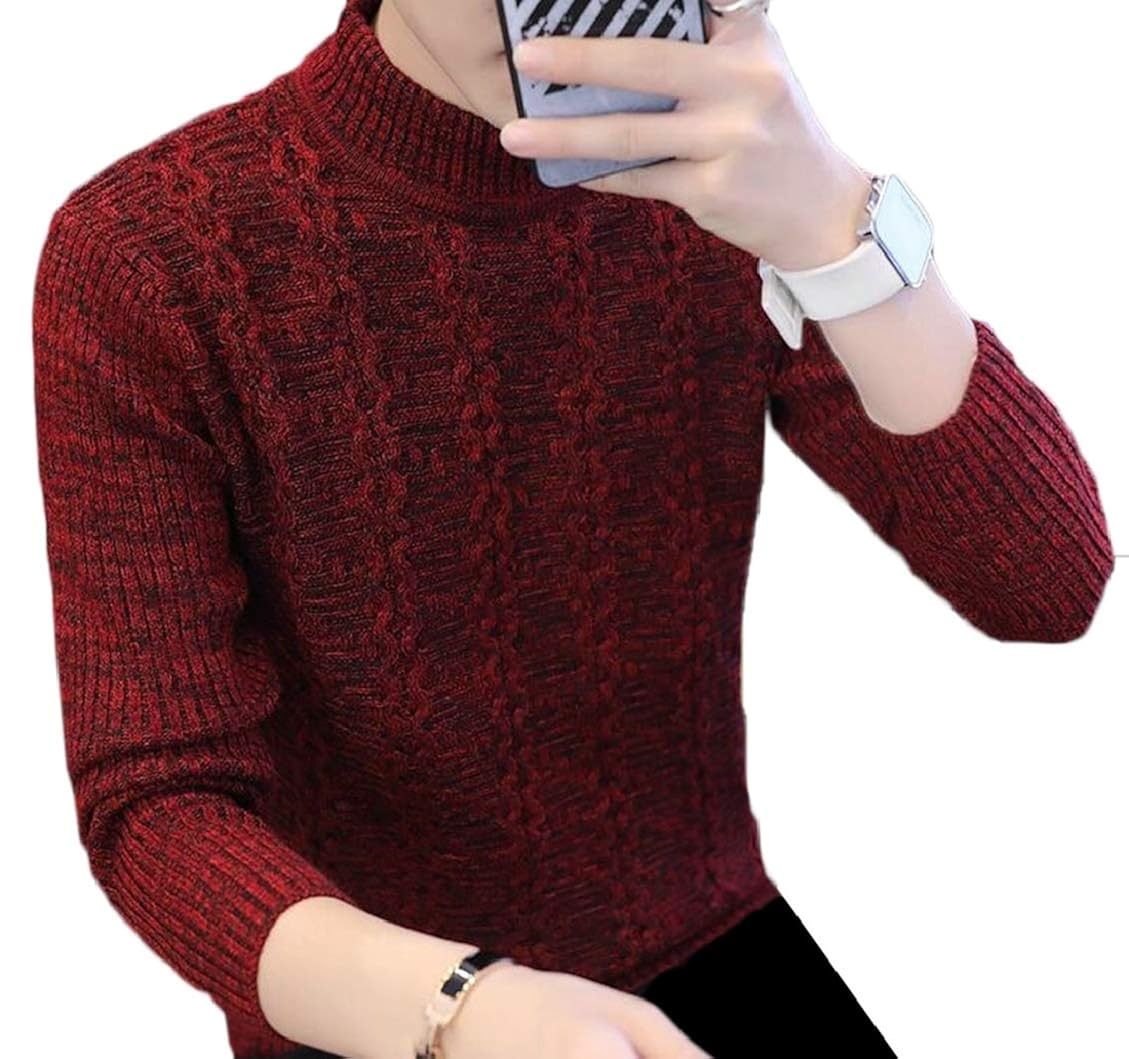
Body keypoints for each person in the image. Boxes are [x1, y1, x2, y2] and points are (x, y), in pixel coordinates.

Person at [30, 0, 1114, 1057]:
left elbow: (1044, 583)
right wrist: (456, 1010)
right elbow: (157, 799)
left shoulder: (717, 178)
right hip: (372, 1000)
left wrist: (835, 226)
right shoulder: (151, 252)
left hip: (704, 923)